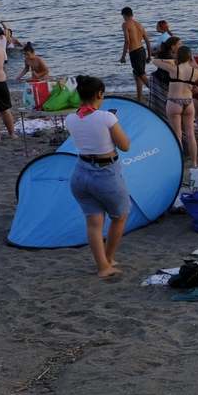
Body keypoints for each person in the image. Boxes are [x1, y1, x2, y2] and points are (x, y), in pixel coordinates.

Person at [64, 75, 131, 278]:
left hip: (80, 172)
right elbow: (125, 145)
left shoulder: (70, 118)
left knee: (94, 222)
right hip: (105, 172)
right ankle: (108, 259)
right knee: (120, 216)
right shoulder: (106, 117)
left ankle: (102, 267)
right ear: (99, 94)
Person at [156, 43, 198, 168]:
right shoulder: (194, 72)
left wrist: (170, 60)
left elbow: (156, 61)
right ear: (190, 56)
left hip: (174, 102)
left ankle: (179, 162)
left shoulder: (173, 68)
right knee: (191, 134)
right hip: (188, 102)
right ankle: (195, 163)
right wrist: (194, 82)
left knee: (177, 134)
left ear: (178, 56)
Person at [117, 7, 149, 102]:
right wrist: (149, 55)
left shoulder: (125, 24)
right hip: (142, 50)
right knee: (137, 75)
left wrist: (123, 56)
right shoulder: (139, 25)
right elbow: (147, 41)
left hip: (134, 52)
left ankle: (157, 92)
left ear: (124, 15)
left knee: (142, 75)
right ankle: (139, 99)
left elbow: (127, 41)